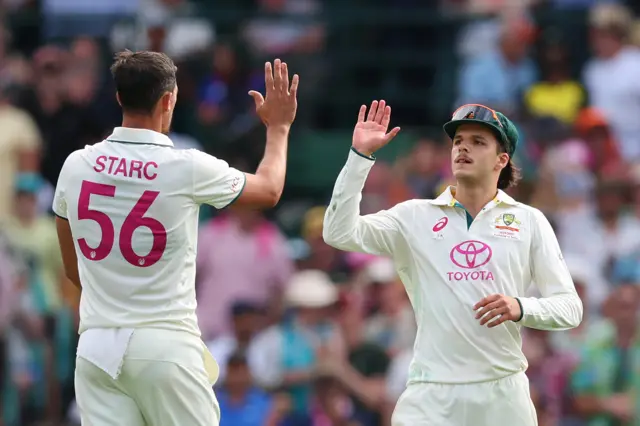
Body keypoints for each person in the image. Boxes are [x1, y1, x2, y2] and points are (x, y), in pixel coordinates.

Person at [52, 50, 298, 426]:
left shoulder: (76, 165)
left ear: (119, 97)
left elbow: (75, 270)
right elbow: (268, 191)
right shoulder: (187, 166)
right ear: (169, 100)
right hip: (165, 344)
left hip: (97, 347)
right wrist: (278, 128)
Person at [322, 101, 583, 426]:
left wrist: (521, 307)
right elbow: (337, 232)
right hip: (431, 395)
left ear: (502, 160)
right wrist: (360, 158)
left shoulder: (529, 221)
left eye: (478, 142)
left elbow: (570, 309)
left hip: (502, 396)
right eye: (459, 141)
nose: (463, 148)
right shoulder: (414, 216)